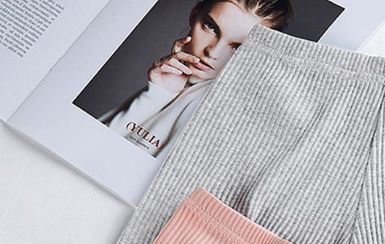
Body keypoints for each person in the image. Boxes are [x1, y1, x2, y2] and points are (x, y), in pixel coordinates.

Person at [100, 0, 293, 157]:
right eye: (211, 27)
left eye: (239, 47)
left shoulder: (215, 108)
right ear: (195, 14)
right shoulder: (177, 83)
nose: (213, 52)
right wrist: (157, 94)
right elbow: (93, 151)